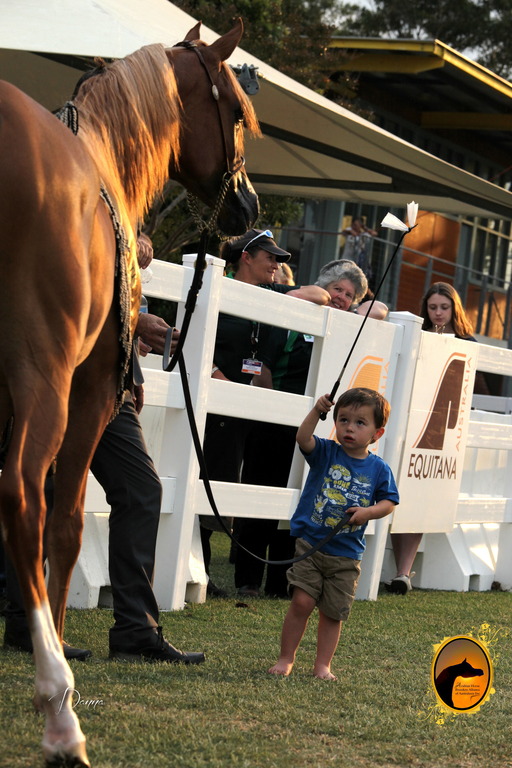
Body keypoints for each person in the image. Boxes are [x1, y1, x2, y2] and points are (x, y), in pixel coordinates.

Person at [3, 235, 205, 664]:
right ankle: (26, 623)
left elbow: (117, 286)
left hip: (107, 383)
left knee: (140, 489)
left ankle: (136, 629)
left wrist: (131, 364)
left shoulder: (121, 212)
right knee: (46, 489)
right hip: (51, 372)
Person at [234, 259, 388, 597]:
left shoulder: (350, 328)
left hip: (323, 433)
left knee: (300, 503)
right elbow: (264, 367)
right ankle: (247, 578)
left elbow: (380, 309)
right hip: (276, 423)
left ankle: (282, 582)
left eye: (349, 294)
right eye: (337, 289)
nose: (341, 298)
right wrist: (274, 407)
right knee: (261, 496)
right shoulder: (296, 317)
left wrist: (355, 309)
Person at [201, 228, 330, 596]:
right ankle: (199, 571)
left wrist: (286, 293)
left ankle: (202, 571)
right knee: (209, 481)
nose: (276, 264)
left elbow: (319, 295)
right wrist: (216, 376)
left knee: (225, 491)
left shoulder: (271, 295)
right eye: (270, 257)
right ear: (246, 257)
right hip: (215, 402)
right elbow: (197, 337)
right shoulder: (219, 284)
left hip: (246, 407)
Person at [268, 387, 399, 680]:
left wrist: (368, 513)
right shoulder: (326, 452)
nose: (349, 428)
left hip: (347, 554)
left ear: (377, 434)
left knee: (332, 612)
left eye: (360, 423)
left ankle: (323, 665)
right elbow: (303, 438)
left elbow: (389, 502)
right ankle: (286, 658)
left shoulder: (379, 469)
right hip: (311, 545)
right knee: (301, 601)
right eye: (343, 420)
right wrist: (317, 411)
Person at [387, 281, 488, 595]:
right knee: (395, 493)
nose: (439, 313)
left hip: (440, 436)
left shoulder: (466, 342)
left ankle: (404, 573)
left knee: (419, 498)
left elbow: (476, 391)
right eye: (433, 307)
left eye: (444, 307)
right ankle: (394, 569)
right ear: (425, 309)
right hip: (406, 425)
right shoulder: (415, 336)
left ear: (454, 308)